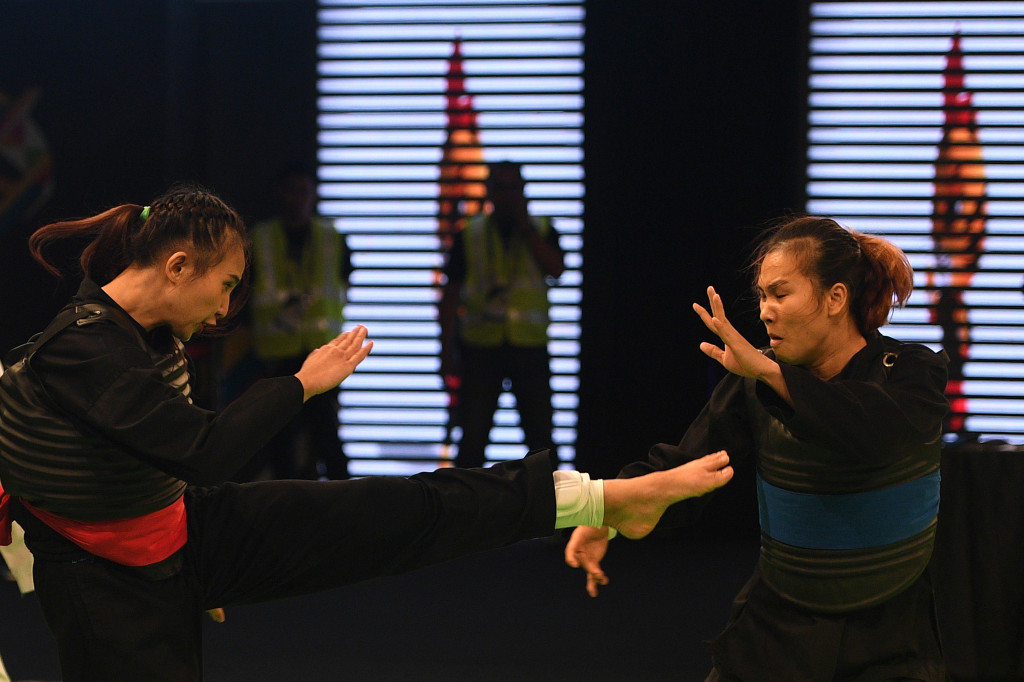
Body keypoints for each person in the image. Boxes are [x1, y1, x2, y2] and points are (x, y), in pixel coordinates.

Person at [0, 184, 734, 682]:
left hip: (178, 534)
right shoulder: (80, 348)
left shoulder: (143, 333)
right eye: (224, 286)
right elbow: (202, 449)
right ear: (179, 264)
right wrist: (300, 384)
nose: (226, 311)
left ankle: (598, 499)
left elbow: (163, 466)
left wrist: (179, 553)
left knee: (398, 511)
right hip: (109, 580)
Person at [565, 216, 949, 681]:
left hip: (892, 637)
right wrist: (611, 509)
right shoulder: (755, 382)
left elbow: (872, 434)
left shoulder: (910, 371)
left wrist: (769, 375)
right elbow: (687, 466)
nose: (765, 311)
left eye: (781, 294)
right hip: (778, 627)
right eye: (763, 296)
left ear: (835, 299)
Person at [439, 160, 565, 468]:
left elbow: (557, 268)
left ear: (524, 192)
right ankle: (465, 511)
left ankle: (551, 511)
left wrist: (527, 229)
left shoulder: (542, 229)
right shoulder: (471, 234)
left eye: (514, 188)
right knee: (472, 439)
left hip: (529, 347)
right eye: (502, 187)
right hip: (481, 349)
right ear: (489, 192)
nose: (507, 195)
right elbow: (450, 296)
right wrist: (445, 350)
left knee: (541, 439)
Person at [245, 165, 352, 480]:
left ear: (314, 195)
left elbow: (343, 286)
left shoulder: (333, 239)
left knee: (327, 434)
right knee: (280, 439)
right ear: (280, 194)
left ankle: (344, 502)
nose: (297, 199)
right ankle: (292, 503)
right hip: (277, 354)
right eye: (291, 190)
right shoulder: (260, 239)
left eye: (303, 191)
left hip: (322, 352)